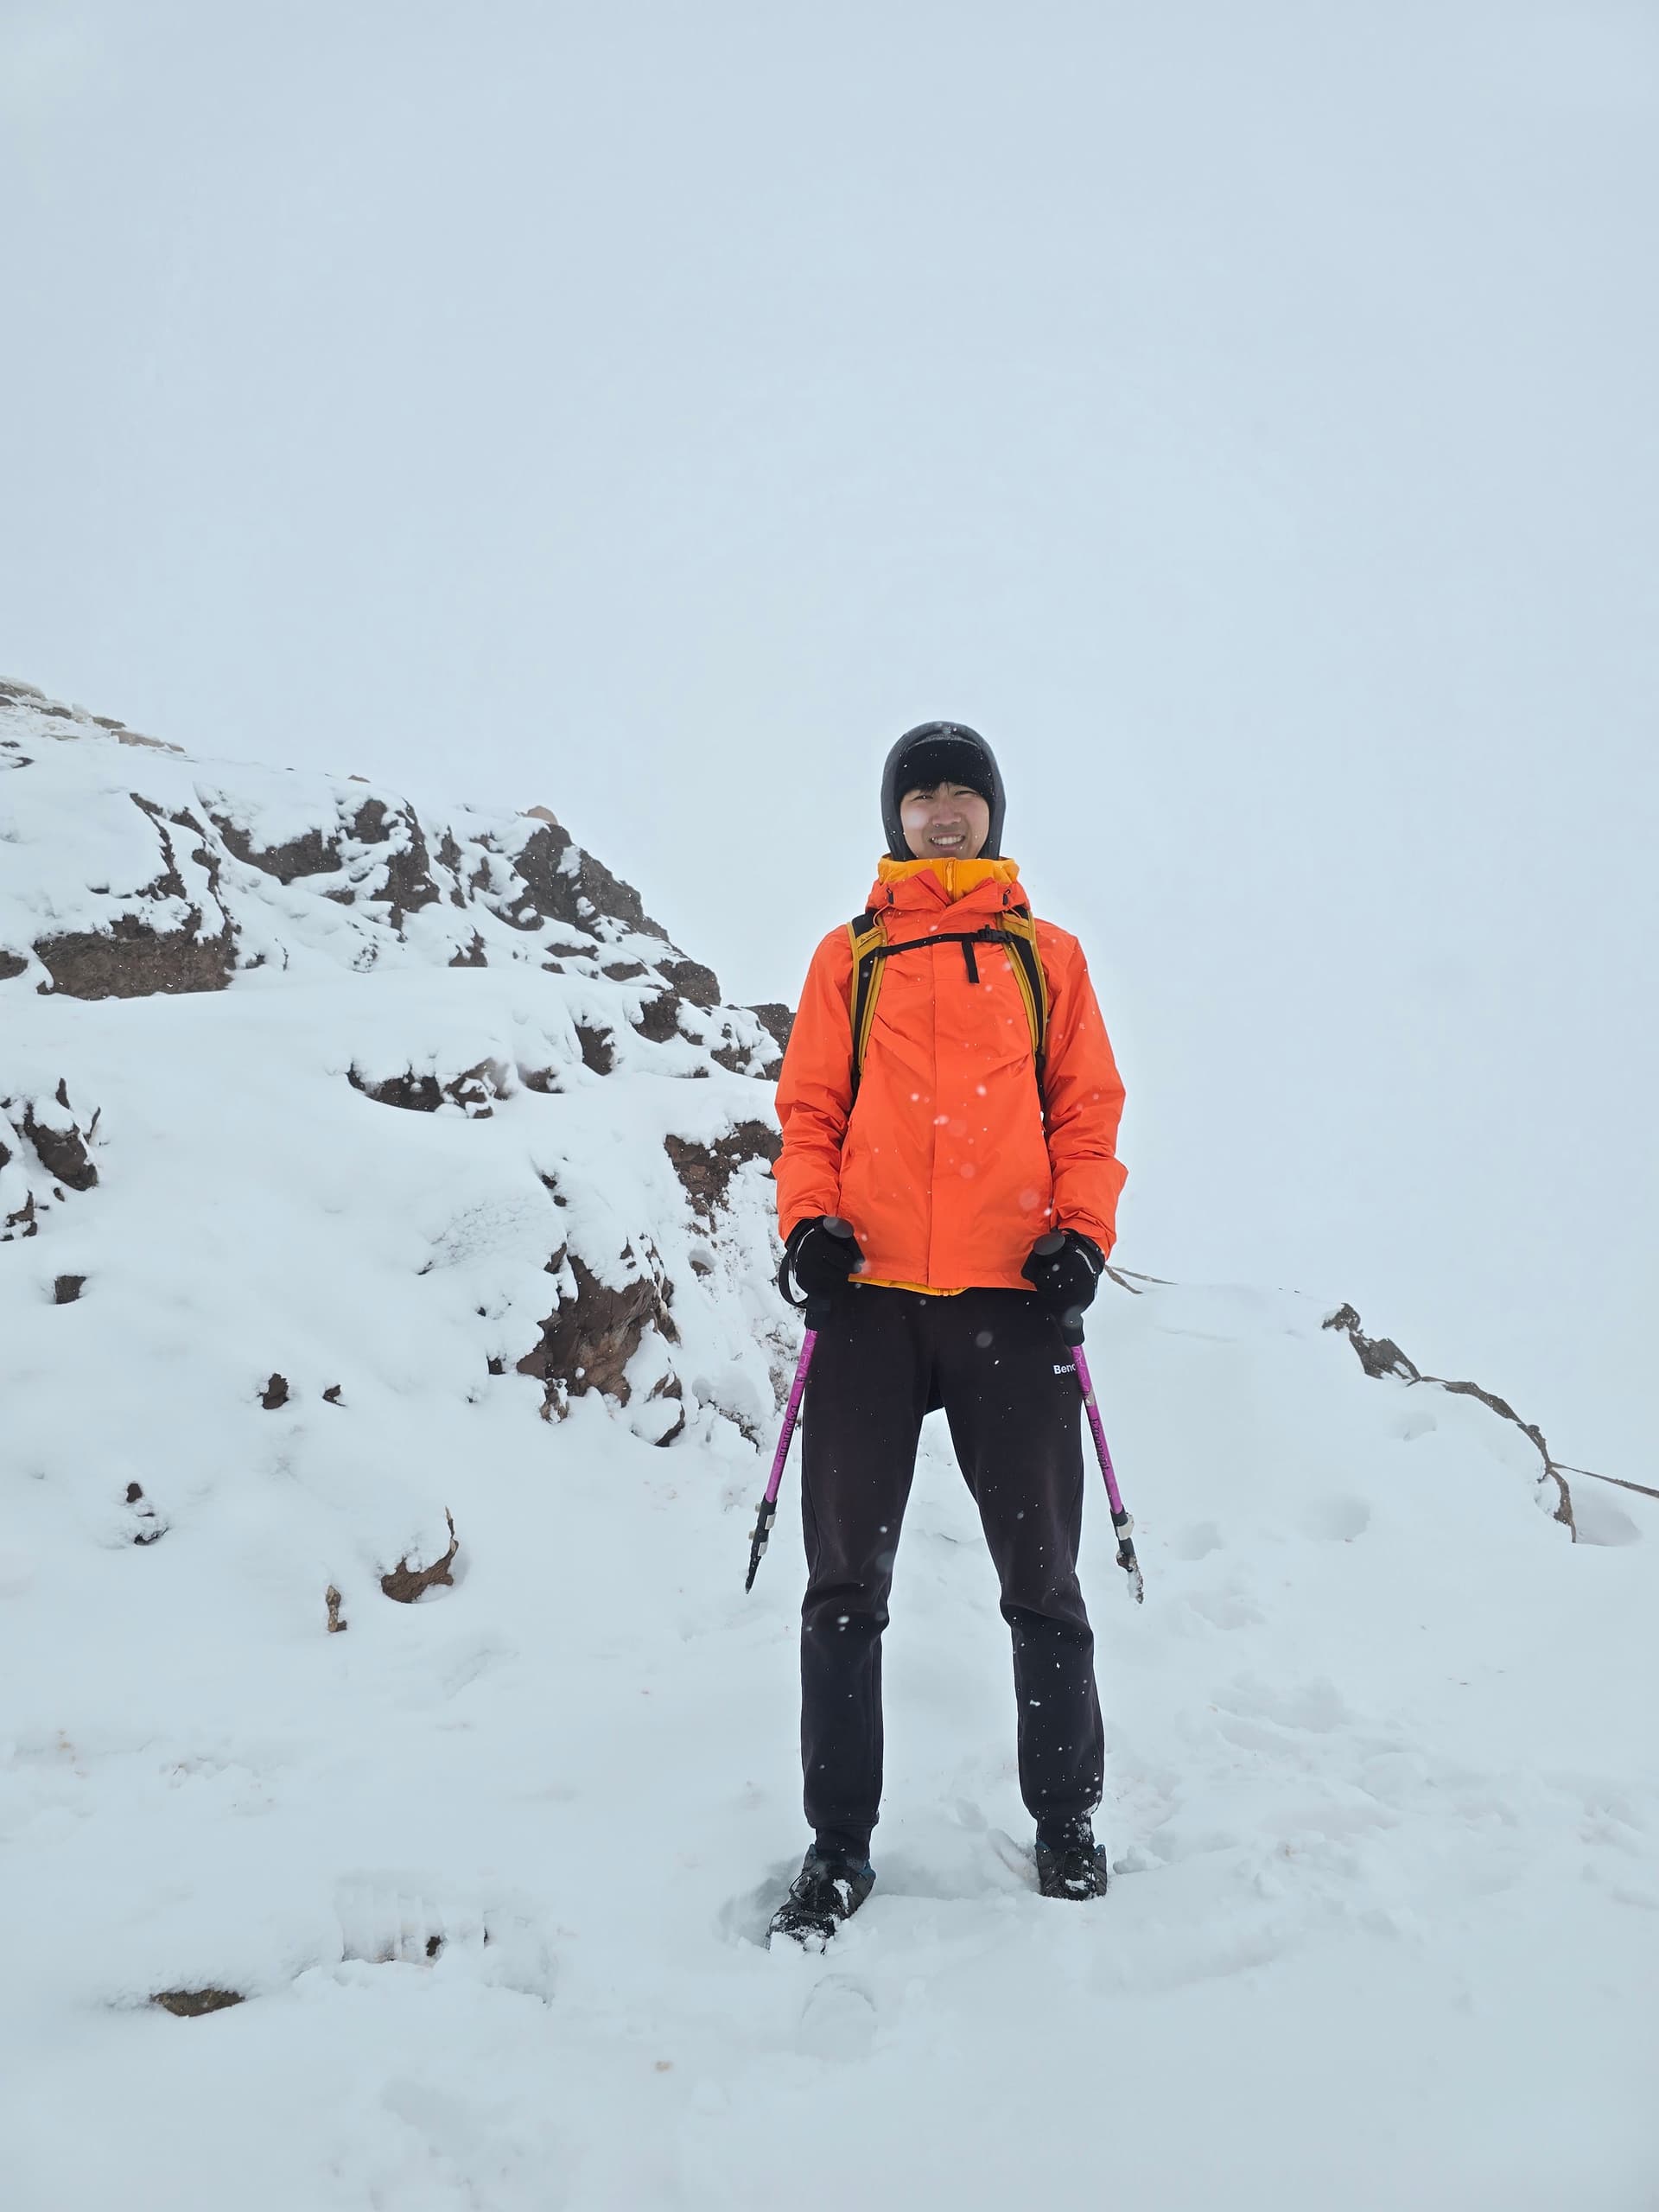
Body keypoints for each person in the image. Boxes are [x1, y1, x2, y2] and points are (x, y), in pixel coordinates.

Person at [766, 720, 1128, 1946]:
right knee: (843, 1593)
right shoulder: (850, 957)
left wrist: (1081, 1237)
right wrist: (808, 1224)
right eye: (920, 796)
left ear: (992, 814)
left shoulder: (1047, 960)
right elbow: (810, 1110)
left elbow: (1087, 1113)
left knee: (1042, 1583)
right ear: (895, 818)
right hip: (866, 1308)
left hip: (1009, 1307)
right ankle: (839, 1845)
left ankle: (1068, 1820)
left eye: (962, 794)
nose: (942, 811)